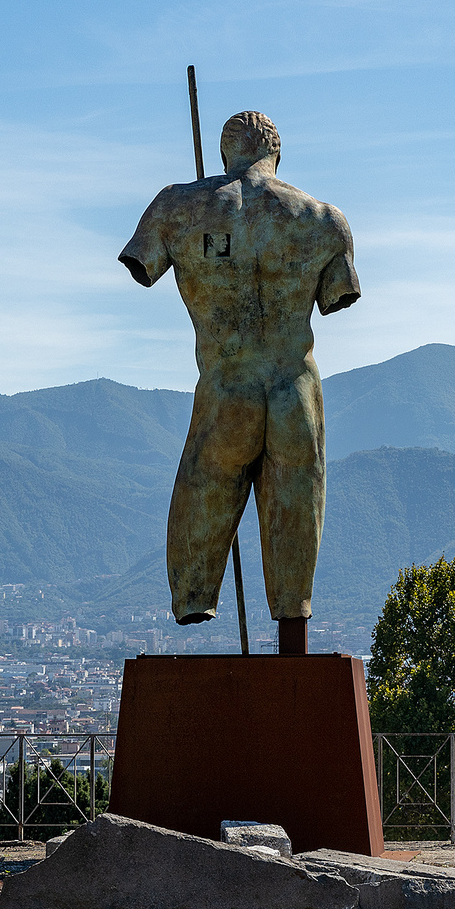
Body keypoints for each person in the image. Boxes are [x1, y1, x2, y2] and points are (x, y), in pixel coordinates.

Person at [120, 110, 360, 651]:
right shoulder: (324, 220)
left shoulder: (178, 207)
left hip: (227, 391)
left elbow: (143, 262)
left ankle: (193, 599)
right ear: (278, 154)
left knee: (201, 493)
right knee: (297, 510)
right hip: (294, 392)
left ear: (225, 153)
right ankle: (293, 615)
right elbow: (336, 297)